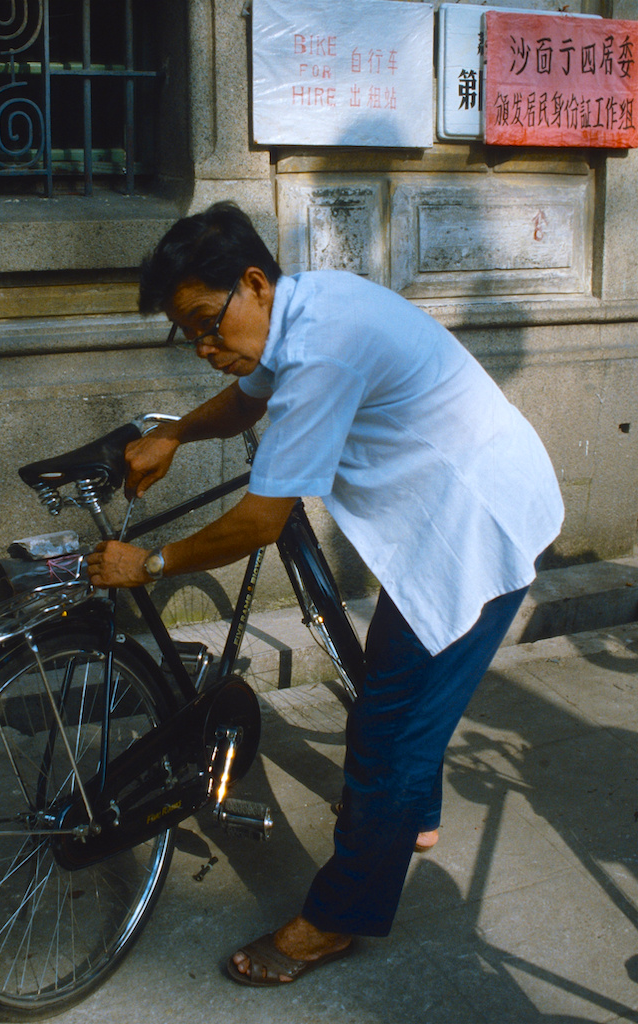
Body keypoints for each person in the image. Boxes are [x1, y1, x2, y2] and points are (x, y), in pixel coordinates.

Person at [86, 201, 564, 987]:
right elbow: (246, 398)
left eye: (209, 324)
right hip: (443, 508)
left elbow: (259, 521)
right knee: (400, 696)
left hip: (481, 519)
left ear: (252, 282)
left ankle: (338, 918)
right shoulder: (297, 308)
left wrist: (149, 563)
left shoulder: (322, 351)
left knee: (386, 735)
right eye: (191, 336)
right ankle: (415, 821)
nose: (206, 349)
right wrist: (175, 432)